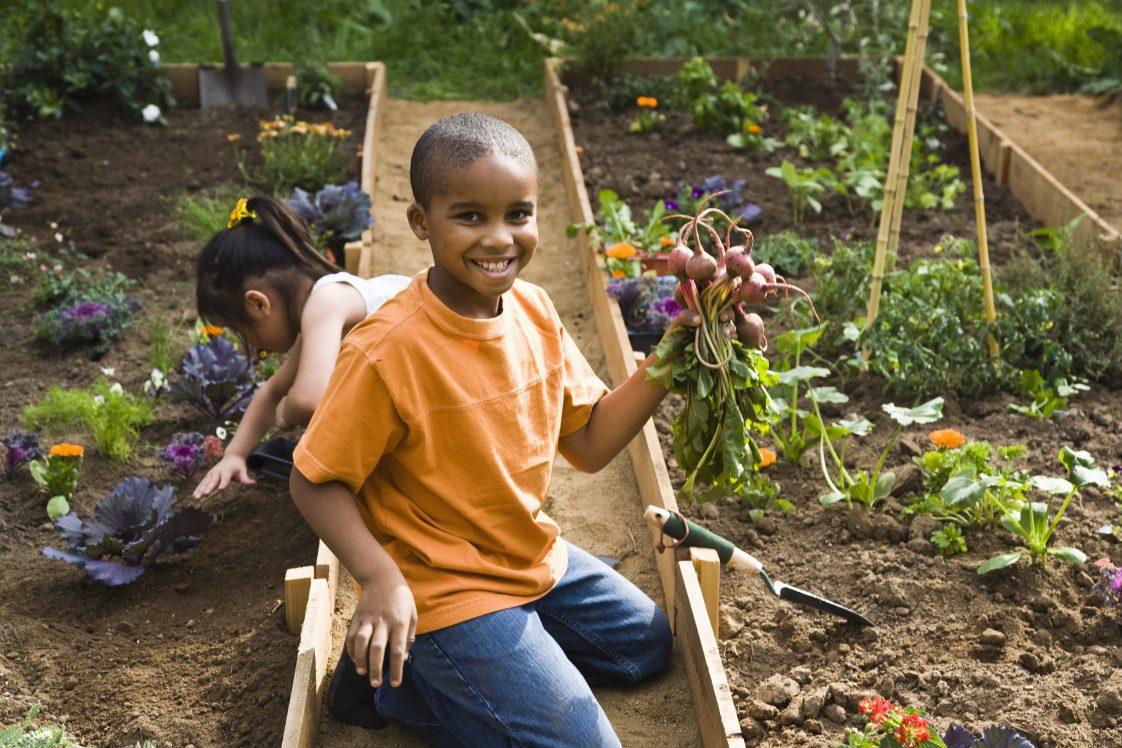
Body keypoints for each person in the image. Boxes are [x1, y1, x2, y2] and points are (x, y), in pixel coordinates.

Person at [290, 112, 693, 745]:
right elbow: (313, 480)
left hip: (526, 555)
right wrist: (381, 577)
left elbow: (587, 445)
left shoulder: (534, 310)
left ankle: (412, 682)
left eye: (519, 214)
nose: (499, 238)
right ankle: (410, 672)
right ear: (422, 223)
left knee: (644, 647)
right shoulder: (387, 351)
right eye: (470, 216)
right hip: (440, 586)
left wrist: (674, 352)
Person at [191, 196, 410, 500]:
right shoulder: (323, 308)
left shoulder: (326, 301)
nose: (251, 346)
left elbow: (308, 399)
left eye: (241, 332)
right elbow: (271, 391)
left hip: (457, 397)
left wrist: (287, 413)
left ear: (258, 304)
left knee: (309, 484)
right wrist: (235, 454)